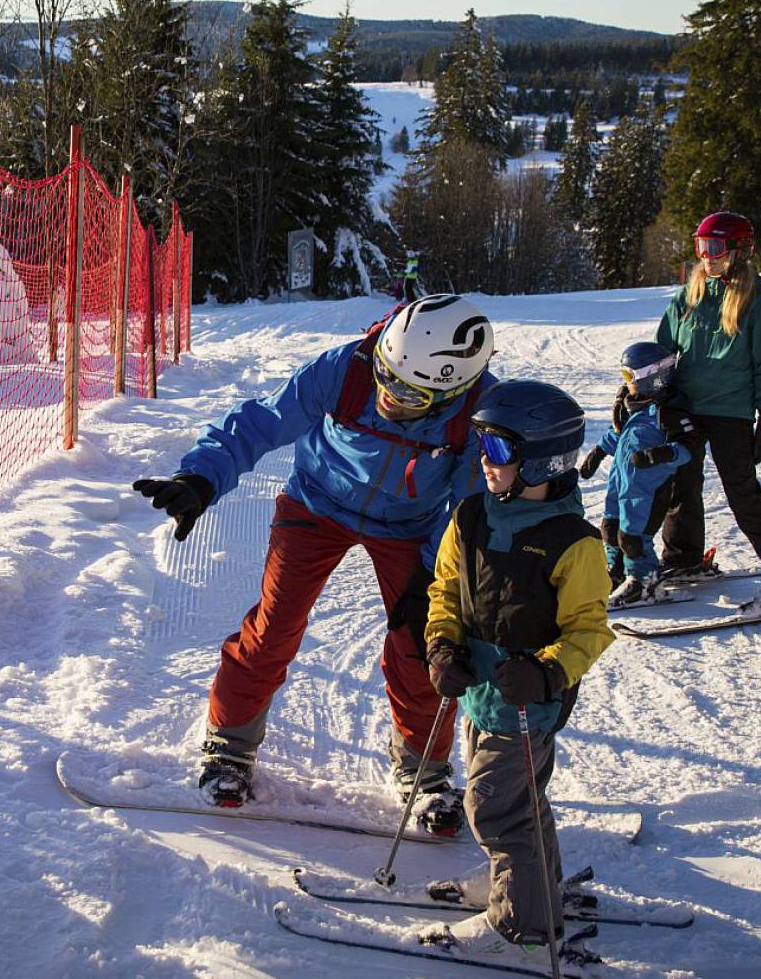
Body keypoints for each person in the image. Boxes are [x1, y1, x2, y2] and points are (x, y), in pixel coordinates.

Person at [132, 294, 496, 836]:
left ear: (453, 390)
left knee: (422, 643)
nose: (388, 396)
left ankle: (424, 768)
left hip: (409, 524)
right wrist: (201, 477)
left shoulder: (477, 413)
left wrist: (432, 574)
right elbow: (261, 422)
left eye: (410, 394)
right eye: (387, 377)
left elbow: (470, 505)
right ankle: (230, 743)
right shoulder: (348, 369)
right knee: (275, 624)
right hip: (317, 504)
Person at [420, 379, 613, 965]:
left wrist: (548, 673)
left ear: (542, 459)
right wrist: (442, 646)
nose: (484, 460)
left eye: (498, 449)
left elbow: (588, 630)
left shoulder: (573, 543)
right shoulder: (471, 516)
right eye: (480, 445)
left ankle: (523, 927)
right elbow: (445, 589)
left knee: (494, 808)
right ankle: (530, 889)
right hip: (480, 692)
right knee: (520, 800)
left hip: (529, 699)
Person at [654, 211, 761, 608]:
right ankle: (683, 559)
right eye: (701, 247)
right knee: (680, 485)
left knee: (743, 495)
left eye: (715, 247)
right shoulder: (689, 294)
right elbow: (663, 350)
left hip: (731, 411)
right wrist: (644, 392)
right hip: (686, 408)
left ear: (739, 250)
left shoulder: (758, 301)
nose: (706, 257)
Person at [578, 342, 692, 606]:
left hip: (647, 490)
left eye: (629, 375)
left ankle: (644, 582)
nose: (626, 382)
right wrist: (598, 452)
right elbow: (619, 434)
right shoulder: (634, 405)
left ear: (653, 375)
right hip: (621, 483)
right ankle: (615, 573)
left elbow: (688, 448)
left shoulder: (669, 411)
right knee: (610, 529)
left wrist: (658, 455)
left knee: (633, 537)